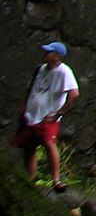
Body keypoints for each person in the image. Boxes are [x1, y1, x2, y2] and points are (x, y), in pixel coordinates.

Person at [11, 40, 79, 191]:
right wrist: (23, 109)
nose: (45, 54)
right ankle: (31, 180)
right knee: (29, 147)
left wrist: (59, 113)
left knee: (49, 143)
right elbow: (30, 90)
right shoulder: (40, 69)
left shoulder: (64, 71)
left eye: (49, 52)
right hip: (31, 115)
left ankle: (56, 179)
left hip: (48, 117)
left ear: (57, 56)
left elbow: (74, 93)